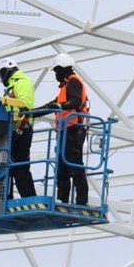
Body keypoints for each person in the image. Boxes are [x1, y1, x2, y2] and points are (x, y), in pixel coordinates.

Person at [37, 55, 91, 207]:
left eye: (56, 71)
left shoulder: (73, 82)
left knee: (74, 165)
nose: (55, 75)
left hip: (74, 130)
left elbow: (75, 101)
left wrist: (60, 106)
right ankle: (63, 199)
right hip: (64, 131)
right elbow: (53, 104)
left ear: (62, 69)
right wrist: (33, 112)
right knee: (62, 166)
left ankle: (82, 201)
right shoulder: (65, 87)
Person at [0, 60, 38, 198]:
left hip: (22, 128)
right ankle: (5, 198)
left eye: (1, 75)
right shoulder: (11, 86)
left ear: (6, 71)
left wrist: (8, 101)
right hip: (13, 130)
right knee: (9, 166)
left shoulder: (22, 82)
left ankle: (29, 198)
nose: (0, 79)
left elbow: (24, 105)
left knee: (20, 166)